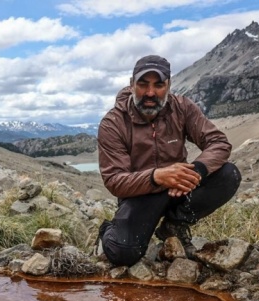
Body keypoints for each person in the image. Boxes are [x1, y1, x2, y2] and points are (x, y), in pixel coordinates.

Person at [95, 55, 241, 267]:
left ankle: (174, 225)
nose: (150, 93)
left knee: (229, 174)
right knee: (123, 253)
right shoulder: (113, 123)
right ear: (132, 84)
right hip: (140, 194)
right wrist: (157, 177)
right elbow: (115, 181)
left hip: (179, 188)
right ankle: (107, 230)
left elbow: (218, 142)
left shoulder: (182, 107)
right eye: (143, 84)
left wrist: (197, 171)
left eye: (159, 85)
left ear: (169, 85)